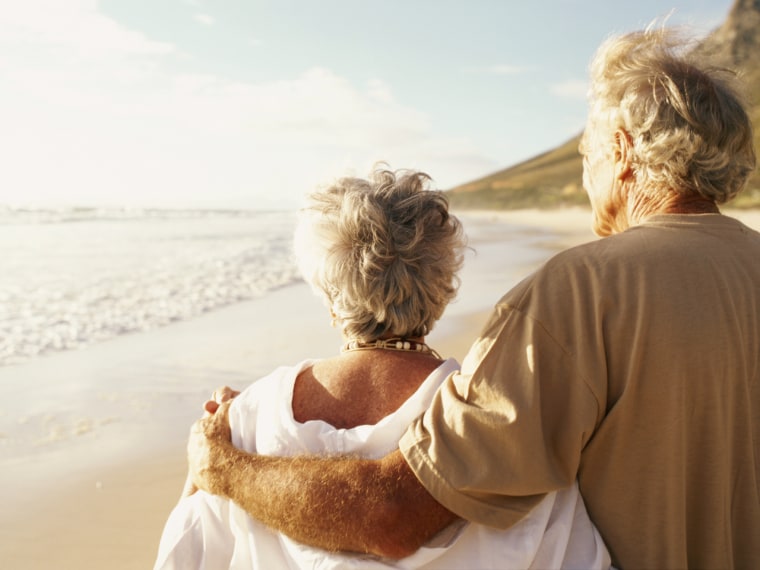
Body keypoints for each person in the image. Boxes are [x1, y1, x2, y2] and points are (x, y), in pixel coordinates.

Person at [187, 26, 760, 569]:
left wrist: (227, 469)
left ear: (622, 147)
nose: (588, 174)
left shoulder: (581, 292)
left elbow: (395, 516)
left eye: (587, 155)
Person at [154, 168, 611, 569]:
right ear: (441, 291)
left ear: (331, 298)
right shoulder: (496, 423)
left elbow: (183, 556)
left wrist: (219, 448)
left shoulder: (241, 423)